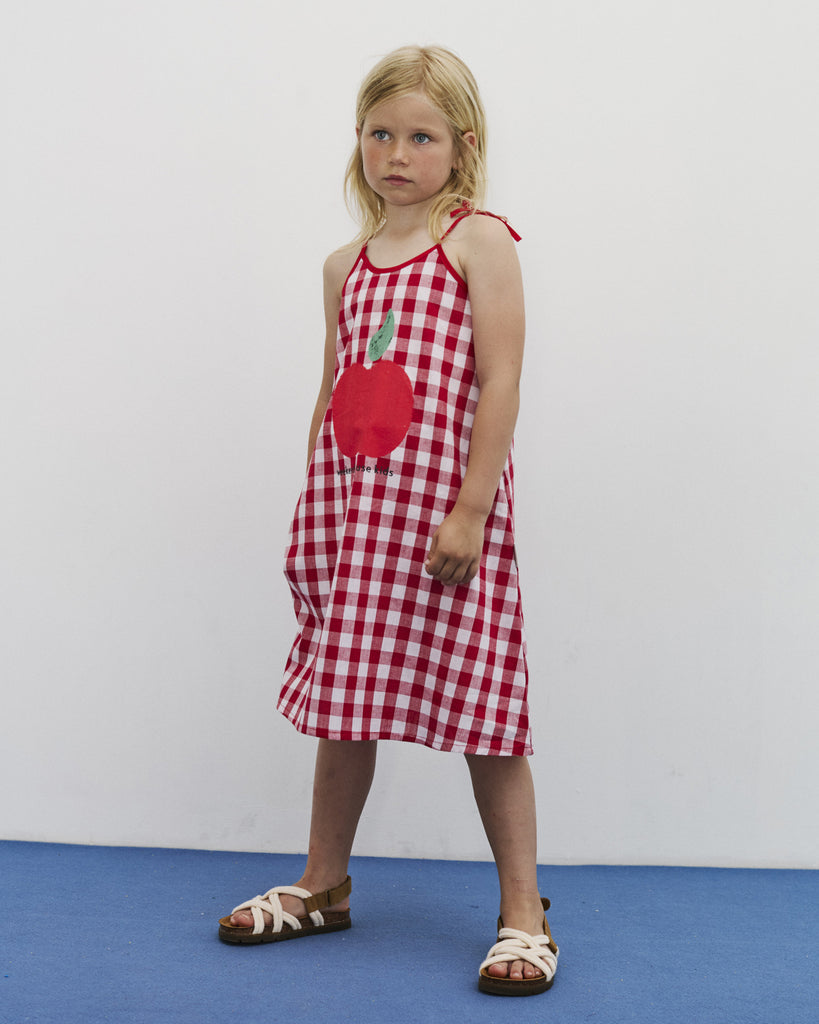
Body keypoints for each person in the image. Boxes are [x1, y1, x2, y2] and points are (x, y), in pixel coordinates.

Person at [218, 44, 558, 996]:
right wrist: (313, 507)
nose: (396, 154)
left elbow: (501, 379)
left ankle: (524, 912)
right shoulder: (344, 266)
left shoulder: (477, 242)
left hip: (446, 520)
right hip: (357, 518)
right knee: (343, 700)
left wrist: (471, 509)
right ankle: (323, 884)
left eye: (420, 136)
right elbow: (333, 389)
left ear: (464, 146)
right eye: (379, 134)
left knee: (486, 710)